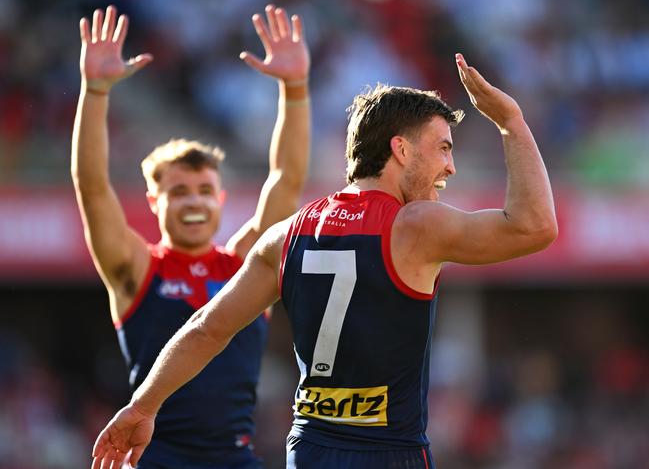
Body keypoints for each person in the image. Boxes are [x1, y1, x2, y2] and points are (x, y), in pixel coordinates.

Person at [91, 53, 558, 469]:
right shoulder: (416, 226)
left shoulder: (287, 233)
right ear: (400, 149)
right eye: (443, 147)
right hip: (387, 451)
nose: (450, 167)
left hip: (310, 450)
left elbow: (207, 328)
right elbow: (534, 225)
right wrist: (511, 123)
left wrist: (142, 407)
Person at [72, 4, 310, 469]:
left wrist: (295, 89)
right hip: (155, 457)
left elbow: (286, 178)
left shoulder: (246, 264)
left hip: (236, 460)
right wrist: (95, 91)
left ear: (221, 200)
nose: (193, 201)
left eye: (204, 190)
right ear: (154, 202)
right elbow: (92, 184)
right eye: (178, 191)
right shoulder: (136, 268)